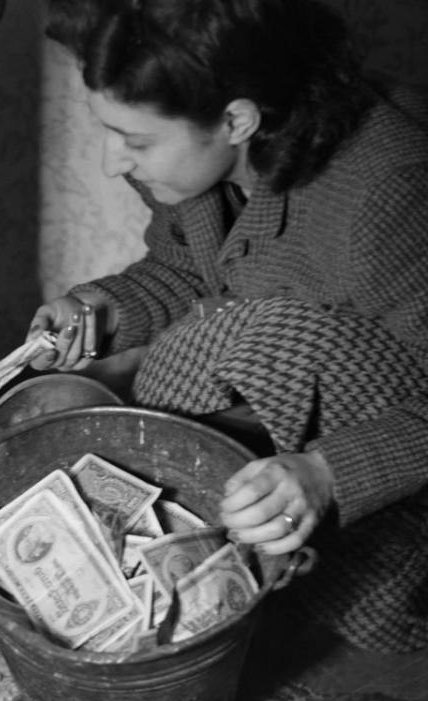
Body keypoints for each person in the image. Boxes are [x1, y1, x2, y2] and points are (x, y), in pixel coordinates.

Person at [25, 0, 428, 652]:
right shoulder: (213, 166)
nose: (110, 163)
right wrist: (98, 313)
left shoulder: (391, 193)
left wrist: (329, 475)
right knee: (183, 390)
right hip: (308, 429)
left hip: (398, 459)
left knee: (218, 353)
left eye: (136, 141)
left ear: (237, 119)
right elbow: (190, 270)